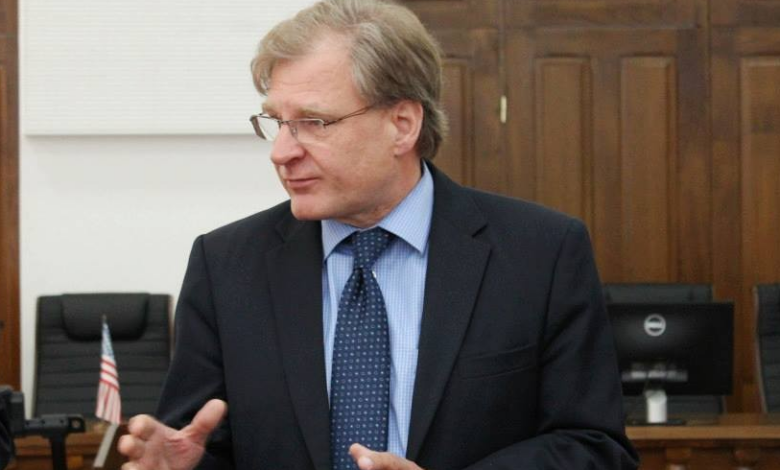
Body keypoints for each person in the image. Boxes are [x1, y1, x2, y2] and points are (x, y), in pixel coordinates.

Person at [118, 0, 638, 469]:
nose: (281, 152)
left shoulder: (541, 253)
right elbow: (204, 444)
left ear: (403, 124)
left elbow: (594, 446)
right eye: (276, 121)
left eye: (314, 122)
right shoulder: (226, 265)